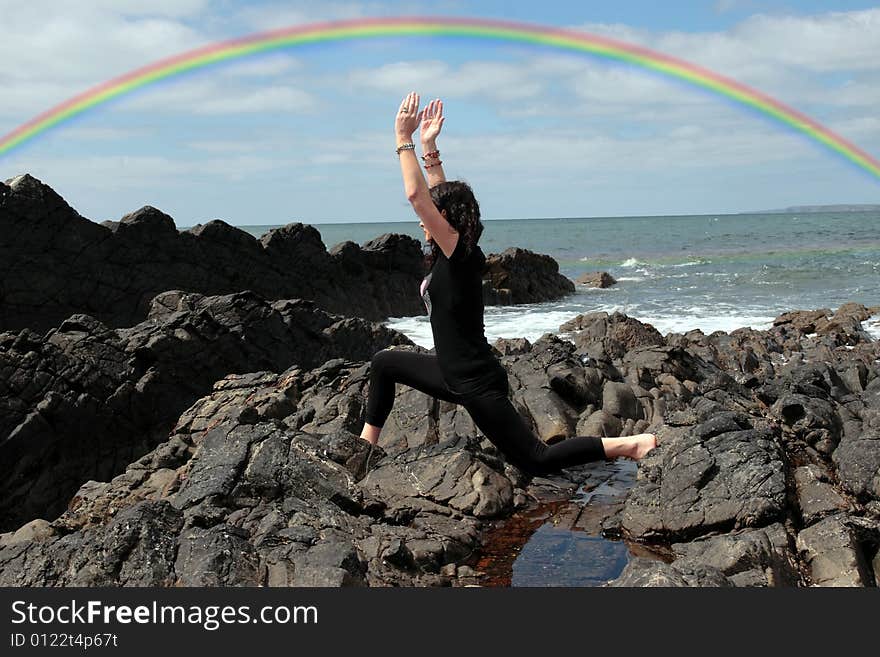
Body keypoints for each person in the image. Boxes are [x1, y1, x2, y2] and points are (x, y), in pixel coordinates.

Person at [358, 91, 657, 476]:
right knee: (384, 363)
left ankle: (631, 445)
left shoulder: (460, 255)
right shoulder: (457, 251)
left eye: (434, 215)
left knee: (535, 459)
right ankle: (365, 448)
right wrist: (431, 148)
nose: (422, 221)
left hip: (475, 382)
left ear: (446, 220)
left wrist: (404, 140)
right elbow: (436, 197)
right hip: (451, 373)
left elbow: (418, 197)